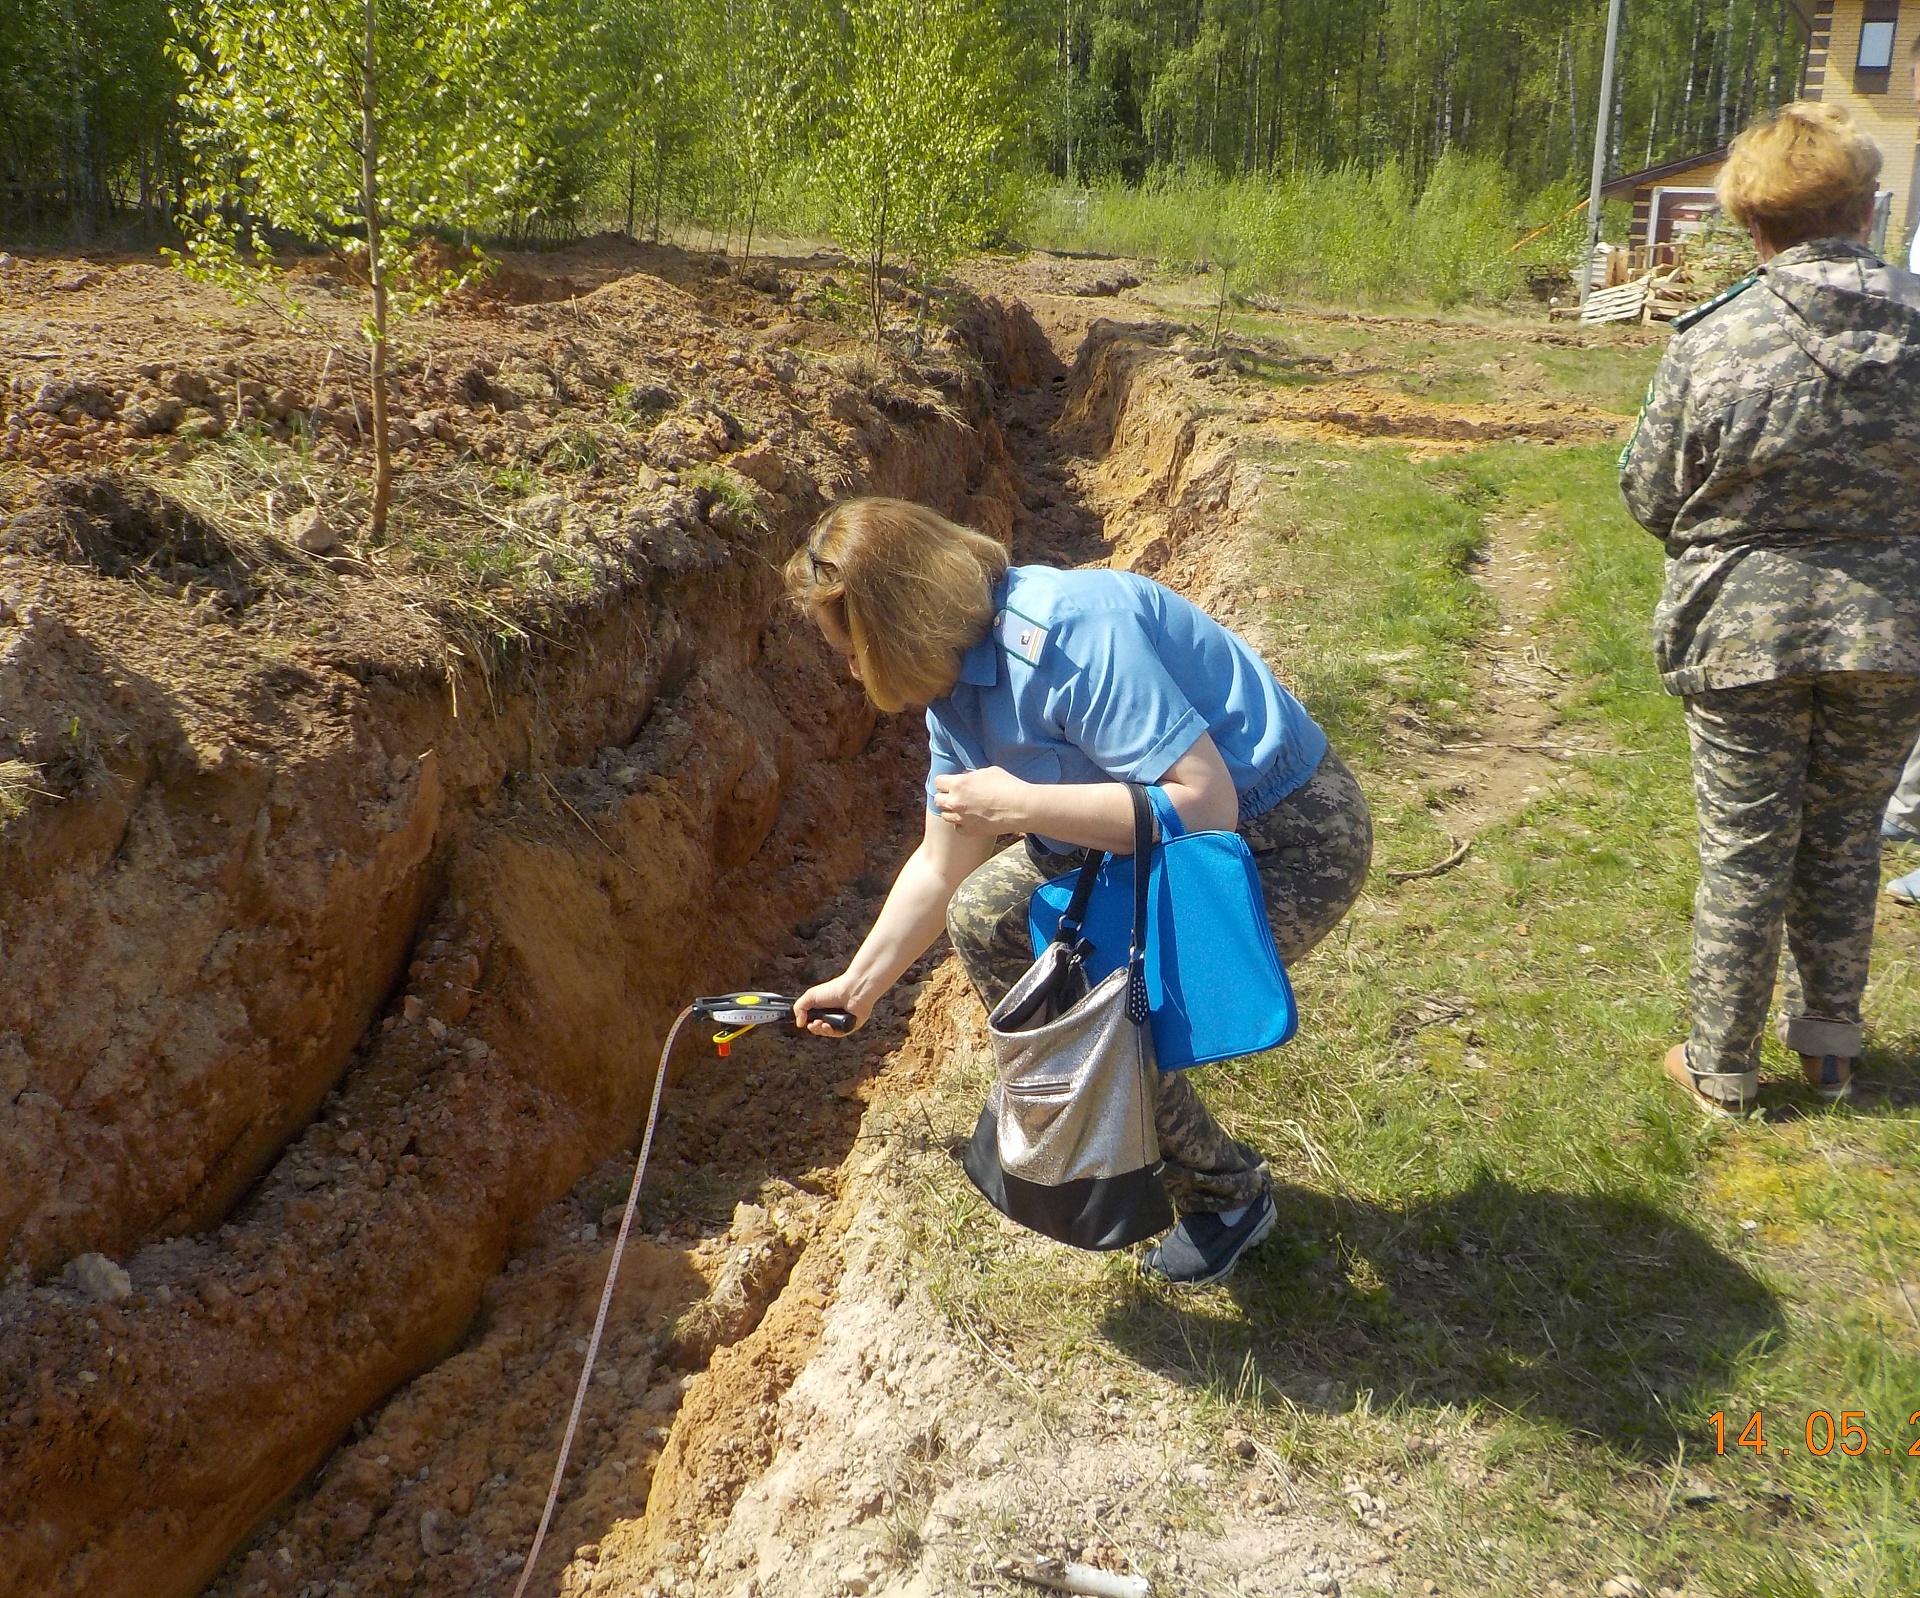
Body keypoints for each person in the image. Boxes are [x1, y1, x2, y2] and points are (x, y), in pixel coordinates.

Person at [786, 497, 1371, 1283]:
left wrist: (1021, 807)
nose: (851, 670)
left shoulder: (1068, 637)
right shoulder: (954, 684)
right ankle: (1104, 1116)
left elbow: (1205, 804)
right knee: (990, 915)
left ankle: (1222, 1197)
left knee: (1111, 1014)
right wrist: (857, 986)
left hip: (1276, 834)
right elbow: (941, 862)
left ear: (898, 626)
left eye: (852, 650)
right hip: (1129, 835)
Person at [1620, 101, 1920, 1116]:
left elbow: (1650, 492)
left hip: (1745, 630)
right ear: (1868, 205)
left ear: (1753, 223)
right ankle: (1830, 1048)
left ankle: (1722, 1066)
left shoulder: (1716, 337)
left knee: (1748, 848)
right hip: (1896, 631)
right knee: (1846, 837)